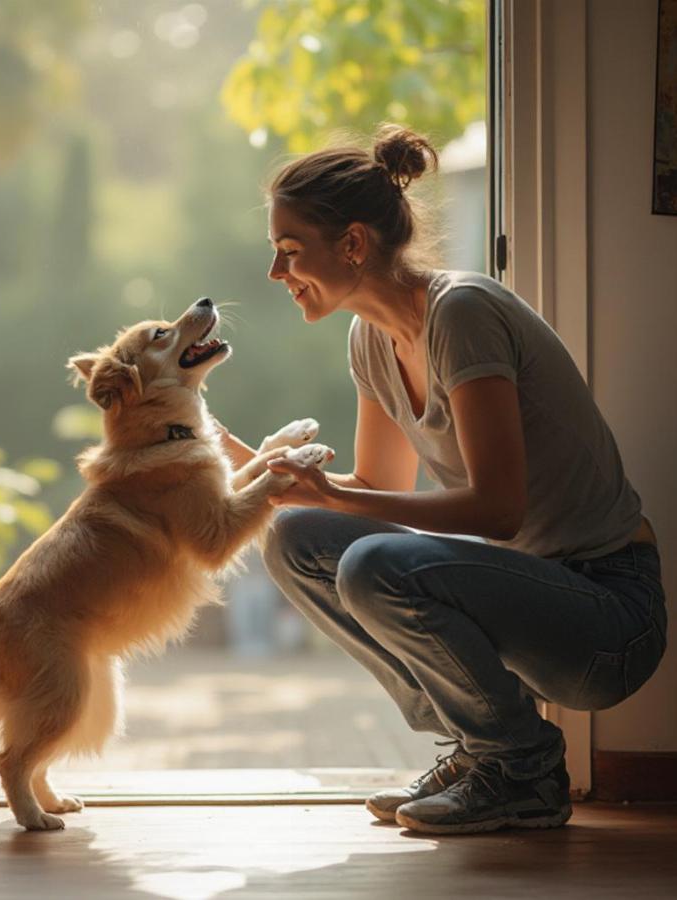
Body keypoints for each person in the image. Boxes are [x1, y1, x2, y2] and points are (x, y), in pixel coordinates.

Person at [213, 124, 667, 835]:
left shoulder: (462, 313)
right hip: (530, 594)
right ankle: (479, 746)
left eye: (291, 250)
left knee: (370, 561)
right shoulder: (370, 337)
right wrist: (258, 466)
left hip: (609, 615)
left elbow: (498, 508)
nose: (276, 272)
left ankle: (521, 768)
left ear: (355, 244)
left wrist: (340, 494)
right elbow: (372, 488)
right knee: (296, 538)